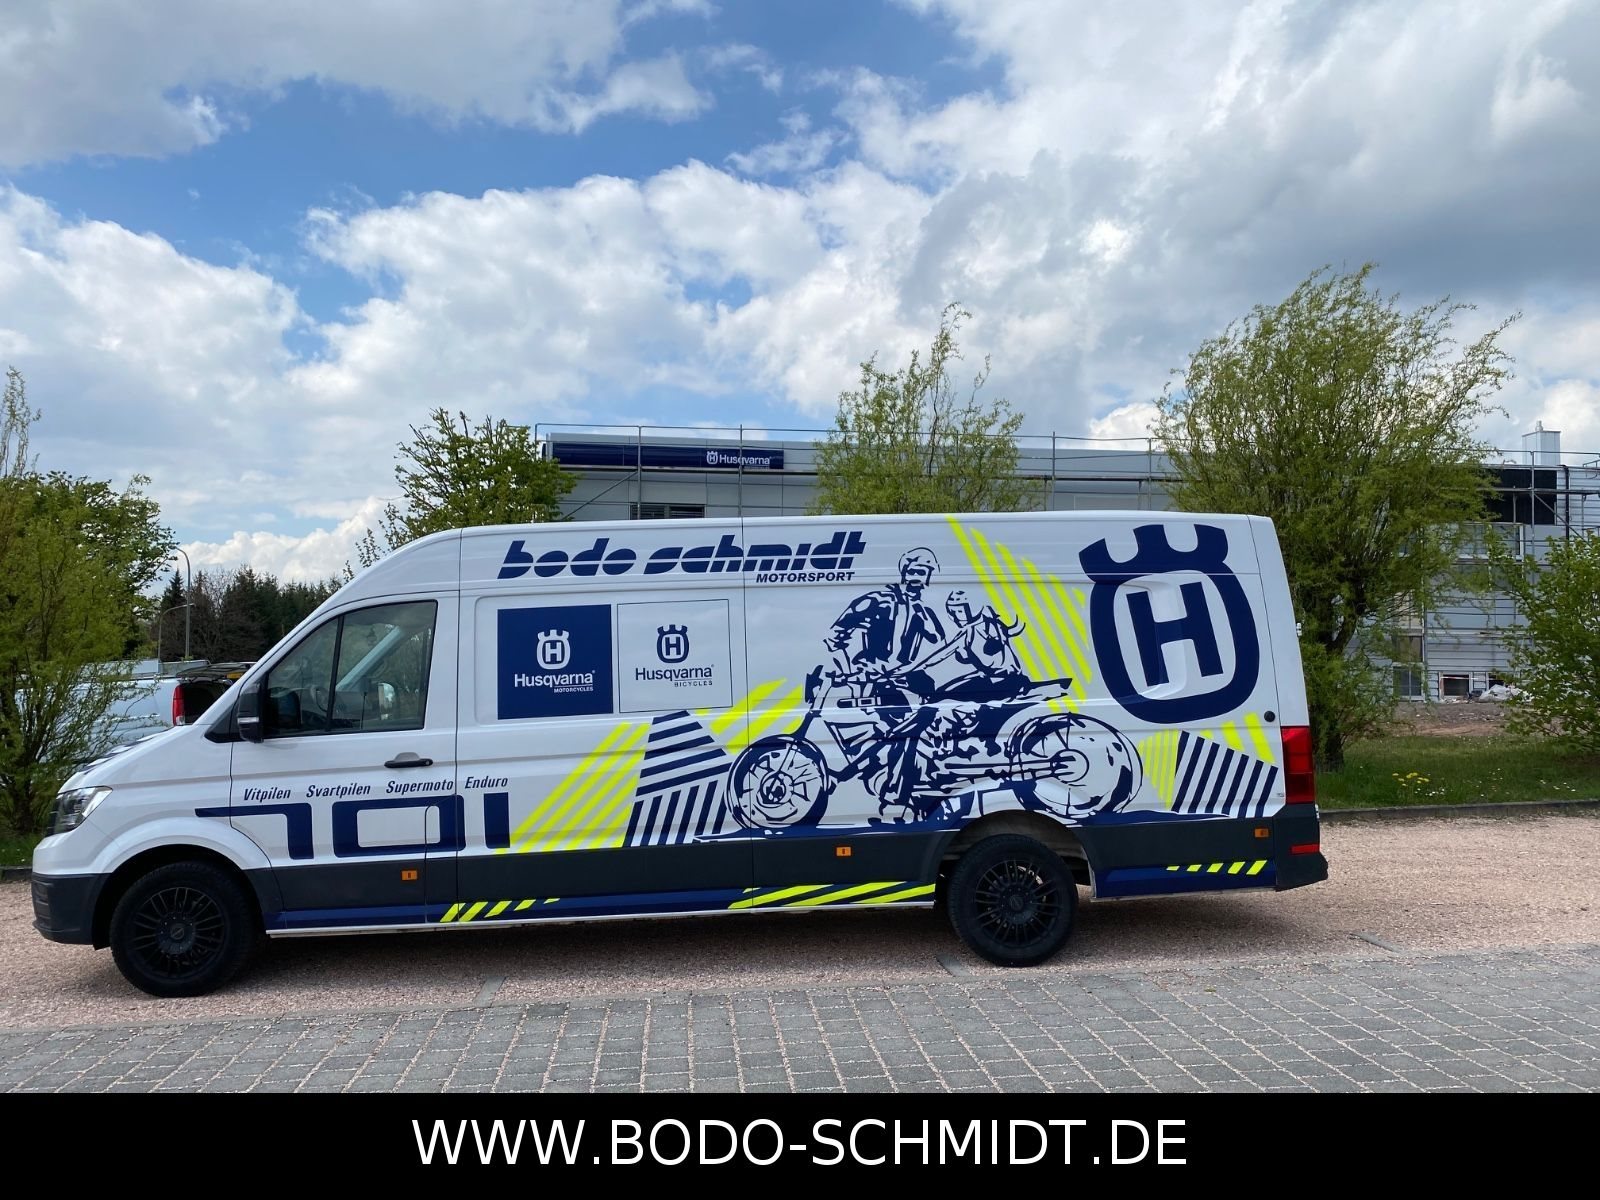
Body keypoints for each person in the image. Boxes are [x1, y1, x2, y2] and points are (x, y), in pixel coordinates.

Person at [824, 548, 947, 815]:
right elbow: (835, 635)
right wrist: (848, 670)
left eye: (924, 573)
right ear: (904, 572)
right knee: (906, 735)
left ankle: (863, 779)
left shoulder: (923, 611)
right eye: (914, 571)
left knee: (917, 729)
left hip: (902, 684)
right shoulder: (876, 601)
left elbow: (941, 644)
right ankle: (893, 797)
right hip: (873, 684)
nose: (918, 578)